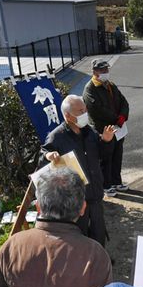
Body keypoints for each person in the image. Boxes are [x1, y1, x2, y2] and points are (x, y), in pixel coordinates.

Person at [43, 94, 116, 246]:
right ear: (68, 115)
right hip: (75, 200)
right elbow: (43, 161)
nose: (85, 114)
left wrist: (106, 141)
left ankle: (99, 262)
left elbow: (103, 155)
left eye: (85, 110)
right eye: (80, 111)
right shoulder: (57, 137)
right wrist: (48, 155)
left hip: (95, 194)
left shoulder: (89, 132)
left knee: (98, 234)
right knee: (78, 239)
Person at [83, 59, 129, 196]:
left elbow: (123, 101)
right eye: (102, 70)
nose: (105, 72)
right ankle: (106, 185)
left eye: (106, 70)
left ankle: (116, 181)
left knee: (117, 156)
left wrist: (123, 116)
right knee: (106, 158)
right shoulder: (90, 88)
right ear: (94, 71)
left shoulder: (111, 85)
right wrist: (116, 118)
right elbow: (97, 110)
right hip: (102, 129)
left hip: (118, 128)